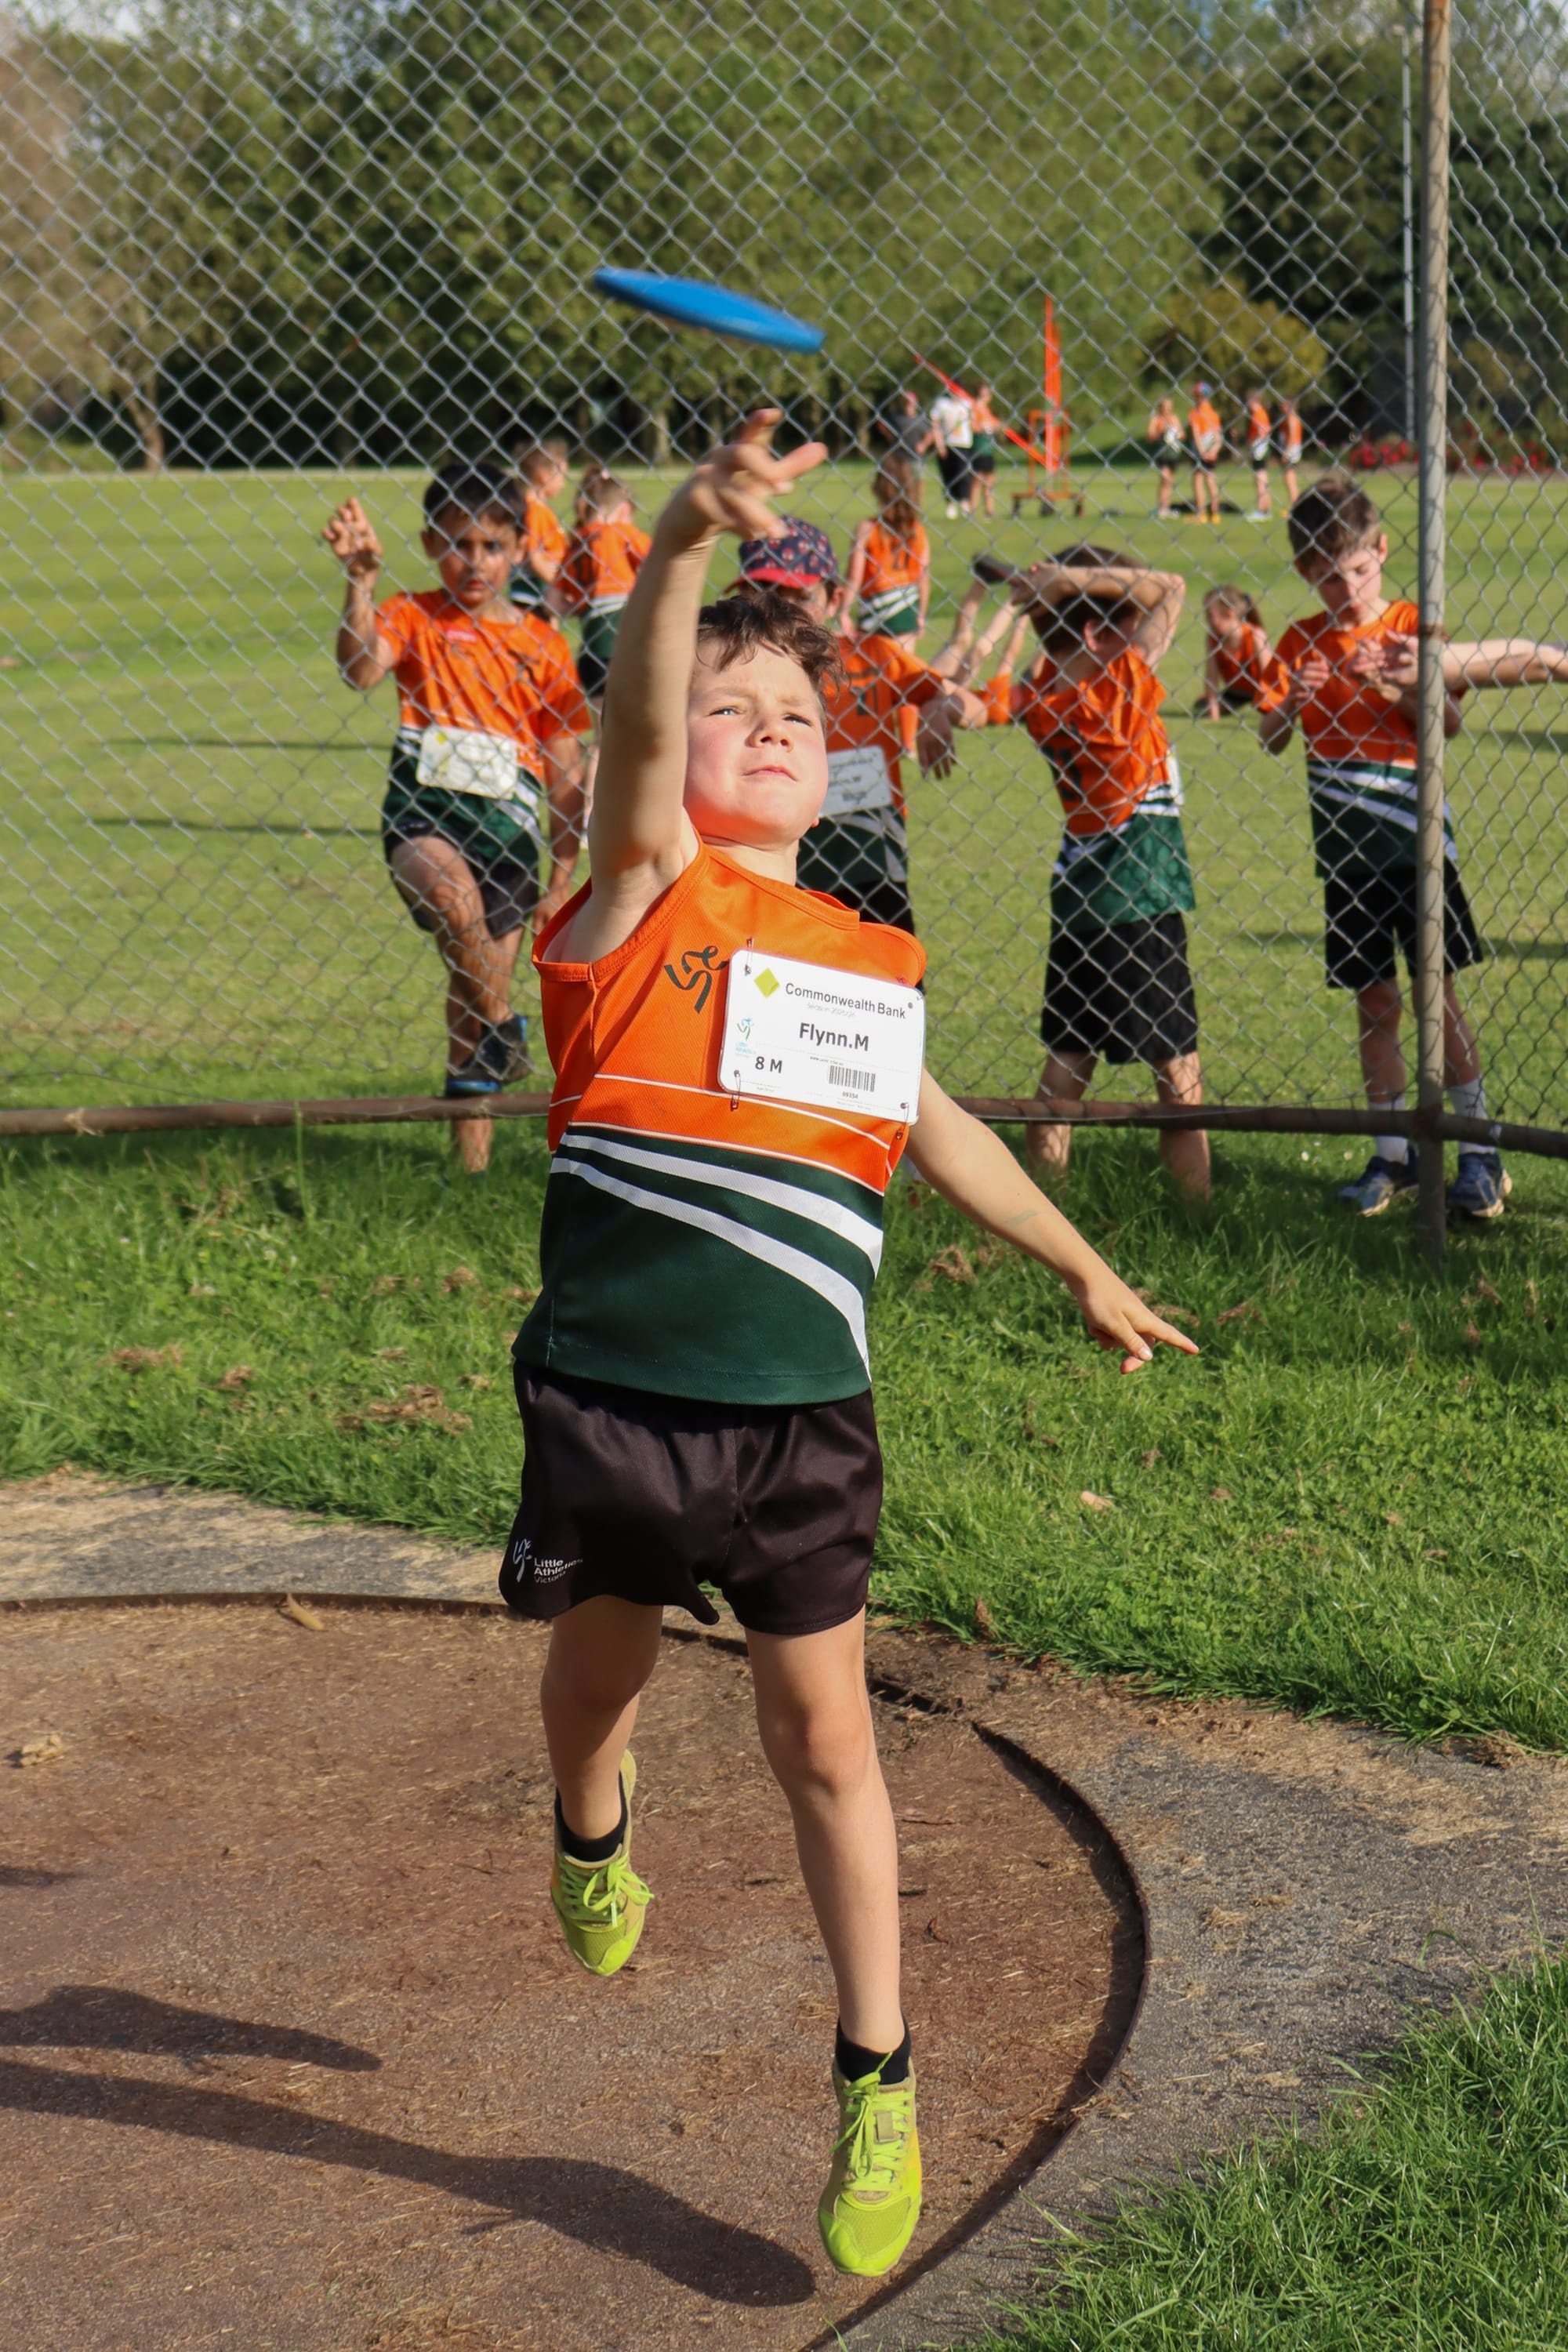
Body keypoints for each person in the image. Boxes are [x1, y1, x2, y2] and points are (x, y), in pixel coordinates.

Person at [499, 410, 1196, 2284]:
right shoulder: (637, 895)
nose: (768, 728)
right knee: (595, 1681)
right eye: (729, 709)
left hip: (802, 1416)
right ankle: (590, 1824)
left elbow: (939, 1129)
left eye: (797, 713)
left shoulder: (862, 955)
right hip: (621, 1403)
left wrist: (1079, 1263)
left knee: (823, 1731)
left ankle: (876, 2068)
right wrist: (672, 552)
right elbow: (635, 750)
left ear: (840, 756)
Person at [324, 466, 585, 1173]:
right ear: (431, 543)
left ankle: (472, 1169)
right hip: (424, 816)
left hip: (509, 838)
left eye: (492, 547)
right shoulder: (413, 615)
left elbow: (566, 772)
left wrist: (561, 877)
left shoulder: (545, 645)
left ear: (520, 547)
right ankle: (506, 1025)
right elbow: (360, 670)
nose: (475, 562)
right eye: (458, 545)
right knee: (451, 899)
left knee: (467, 998)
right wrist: (360, 584)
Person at [1258, 474, 1506, 1218]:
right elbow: (1270, 736)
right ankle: (1391, 1155)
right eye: (1329, 577)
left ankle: (1480, 1149)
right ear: (1305, 571)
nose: (1348, 590)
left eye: (1360, 570)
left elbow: (1450, 723)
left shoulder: (1409, 625)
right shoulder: (1299, 640)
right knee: (1375, 1004)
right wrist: (1295, 701)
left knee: (1438, 994)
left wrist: (1397, 686)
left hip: (1416, 849)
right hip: (1347, 856)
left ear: (1383, 551)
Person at [979, 547, 1210, 1200]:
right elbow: (1172, 584)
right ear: (1095, 635)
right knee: (1179, 1074)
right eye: (1128, 624)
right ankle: (1199, 1218)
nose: (1143, 636)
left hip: (1081, 900)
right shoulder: (1115, 693)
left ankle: (1041, 1206)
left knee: (1066, 1066)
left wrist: (1051, 595)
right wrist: (1066, 582)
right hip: (1140, 899)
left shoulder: (1043, 697)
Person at [733, 517, 985, 931]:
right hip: (775, 862)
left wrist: (937, 706)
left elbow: (976, 707)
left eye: (799, 595)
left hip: (873, 860)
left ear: (834, 598)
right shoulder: (730, 673)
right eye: (764, 592)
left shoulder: (873, 655)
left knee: (885, 966)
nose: (779, 611)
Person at [557, 470, 652, 705]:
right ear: (624, 509)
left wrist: (585, 602)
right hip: (624, 649)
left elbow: (554, 602)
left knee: (603, 724)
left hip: (591, 653)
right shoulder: (620, 532)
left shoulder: (575, 544)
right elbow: (658, 563)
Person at [843, 456, 930, 642]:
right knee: (903, 659)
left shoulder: (868, 529)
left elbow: (854, 577)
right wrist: (921, 615)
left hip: (876, 608)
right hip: (907, 608)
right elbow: (923, 578)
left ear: (878, 489)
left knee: (872, 660)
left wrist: (844, 610)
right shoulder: (916, 530)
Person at [1199, 585, 1285, 718]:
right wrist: (1213, 715)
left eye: (1211, 615)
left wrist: (1271, 706)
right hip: (1237, 692)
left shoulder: (1254, 635)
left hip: (1260, 689)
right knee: (1201, 708)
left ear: (1229, 613)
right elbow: (1211, 678)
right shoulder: (1214, 639)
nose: (1208, 621)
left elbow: (1270, 676)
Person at [509, 435, 571, 616]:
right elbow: (534, 558)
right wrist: (562, 585)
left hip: (541, 593)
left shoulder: (536, 509)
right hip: (534, 594)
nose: (563, 484)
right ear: (544, 475)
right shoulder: (535, 511)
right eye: (561, 476)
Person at [929, 382, 975, 517]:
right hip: (948, 444)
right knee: (948, 475)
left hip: (964, 444)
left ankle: (965, 503)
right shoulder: (942, 404)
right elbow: (935, 425)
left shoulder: (967, 404)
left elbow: (973, 422)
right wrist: (940, 445)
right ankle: (951, 503)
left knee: (963, 475)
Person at [1187, 381, 1223, 523]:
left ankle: (1200, 513)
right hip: (1211, 449)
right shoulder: (1213, 413)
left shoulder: (1195, 413)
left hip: (1200, 450)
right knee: (1211, 480)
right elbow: (1218, 437)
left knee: (1198, 479)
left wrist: (1202, 452)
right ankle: (1215, 513)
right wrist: (1214, 450)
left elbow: (1196, 434)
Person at [875, 386, 933, 468]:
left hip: (915, 456)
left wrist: (923, 445)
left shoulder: (921, 420)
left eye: (910, 402)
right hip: (899, 457)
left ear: (915, 403)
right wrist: (889, 436)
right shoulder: (896, 417)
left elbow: (930, 434)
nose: (908, 404)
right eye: (906, 401)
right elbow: (881, 424)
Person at [1146, 395, 1183, 517]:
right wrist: (1161, 432)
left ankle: (1167, 507)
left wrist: (1175, 432)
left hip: (1173, 453)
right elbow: (1149, 437)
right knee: (1165, 479)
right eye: (1165, 407)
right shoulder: (1156, 419)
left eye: (1169, 407)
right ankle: (1162, 507)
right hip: (1162, 453)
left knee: (1170, 481)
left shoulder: (1174, 418)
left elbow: (1182, 434)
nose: (1167, 409)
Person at [969, 383, 1001, 517]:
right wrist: (985, 427)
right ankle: (973, 509)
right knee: (978, 479)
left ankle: (989, 510)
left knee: (990, 480)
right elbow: (974, 427)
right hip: (979, 448)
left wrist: (996, 426)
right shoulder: (975, 408)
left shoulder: (987, 410)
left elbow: (996, 425)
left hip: (988, 449)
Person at [1243, 389, 1272, 518]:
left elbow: (1262, 431)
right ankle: (1266, 509)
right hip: (1261, 447)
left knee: (1259, 479)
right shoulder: (1261, 413)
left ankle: (1261, 509)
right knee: (1262, 477)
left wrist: (1252, 441)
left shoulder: (1258, 414)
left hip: (1259, 448)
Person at [1279, 397, 1305, 503]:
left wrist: (1286, 452)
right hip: (1291, 449)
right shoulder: (1288, 418)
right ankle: (1294, 502)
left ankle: (1295, 502)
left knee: (1290, 479)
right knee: (1288, 477)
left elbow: (1293, 436)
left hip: (1292, 450)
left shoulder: (1292, 418)